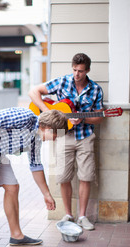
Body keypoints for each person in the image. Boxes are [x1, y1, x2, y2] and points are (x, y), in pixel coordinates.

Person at [0, 107, 68, 247]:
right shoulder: (25, 117)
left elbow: (36, 166)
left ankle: (17, 236)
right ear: (49, 128)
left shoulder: (36, 139)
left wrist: (47, 194)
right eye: (55, 136)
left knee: (12, 187)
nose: (54, 140)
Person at [28, 53, 104, 230]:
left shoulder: (96, 89)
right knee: (63, 177)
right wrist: (49, 113)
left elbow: (100, 117)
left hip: (85, 136)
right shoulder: (62, 82)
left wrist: (83, 119)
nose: (77, 74)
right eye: (75, 70)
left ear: (88, 70)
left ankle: (83, 216)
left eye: (81, 71)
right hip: (63, 136)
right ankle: (68, 214)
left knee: (86, 176)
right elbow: (33, 92)